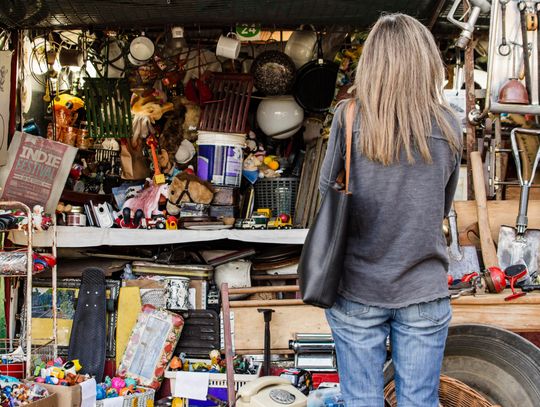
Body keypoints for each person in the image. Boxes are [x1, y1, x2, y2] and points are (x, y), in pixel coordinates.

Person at [319, 13, 463, 407]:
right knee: (419, 401)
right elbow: (442, 204)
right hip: (423, 286)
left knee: (361, 400)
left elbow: (326, 196)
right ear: (426, 61)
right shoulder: (450, 125)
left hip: (357, 286)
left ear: (373, 61)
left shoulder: (348, 118)